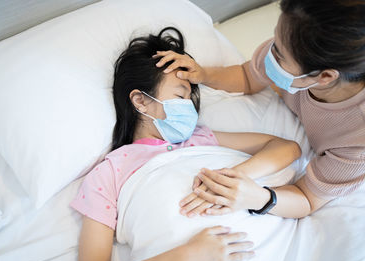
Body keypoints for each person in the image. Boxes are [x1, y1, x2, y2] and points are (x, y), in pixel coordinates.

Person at [70, 27, 301, 261]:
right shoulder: (110, 173)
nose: (189, 108)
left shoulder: (201, 139)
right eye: (181, 97)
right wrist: (186, 257)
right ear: (140, 101)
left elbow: (287, 148)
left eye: (190, 99)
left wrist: (233, 178)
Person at [155, 0, 365, 219]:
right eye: (275, 39)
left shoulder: (358, 141)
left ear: (325, 77)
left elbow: (307, 198)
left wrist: (258, 198)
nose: (270, 54)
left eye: (280, 54)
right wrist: (204, 75)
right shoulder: (293, 39)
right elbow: (247, 77)